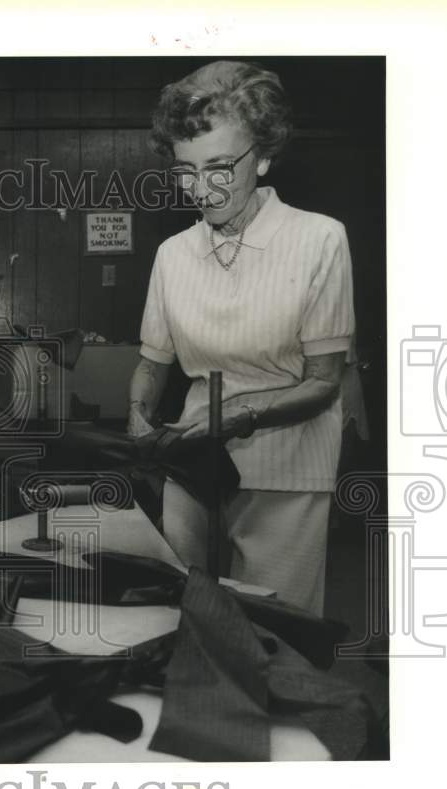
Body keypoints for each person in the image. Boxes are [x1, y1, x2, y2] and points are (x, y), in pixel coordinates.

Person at [128, 61, 355, 616]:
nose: (202, 188)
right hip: (192, 457)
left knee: (277, 623)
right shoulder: (172, 254)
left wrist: (240, 414)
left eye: (221, 167)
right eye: (186, 170)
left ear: (265, 154)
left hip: (289, 461)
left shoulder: (320, 240)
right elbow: (153, 365)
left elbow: (323, 382)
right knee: (179, 608)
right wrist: (137, 413)